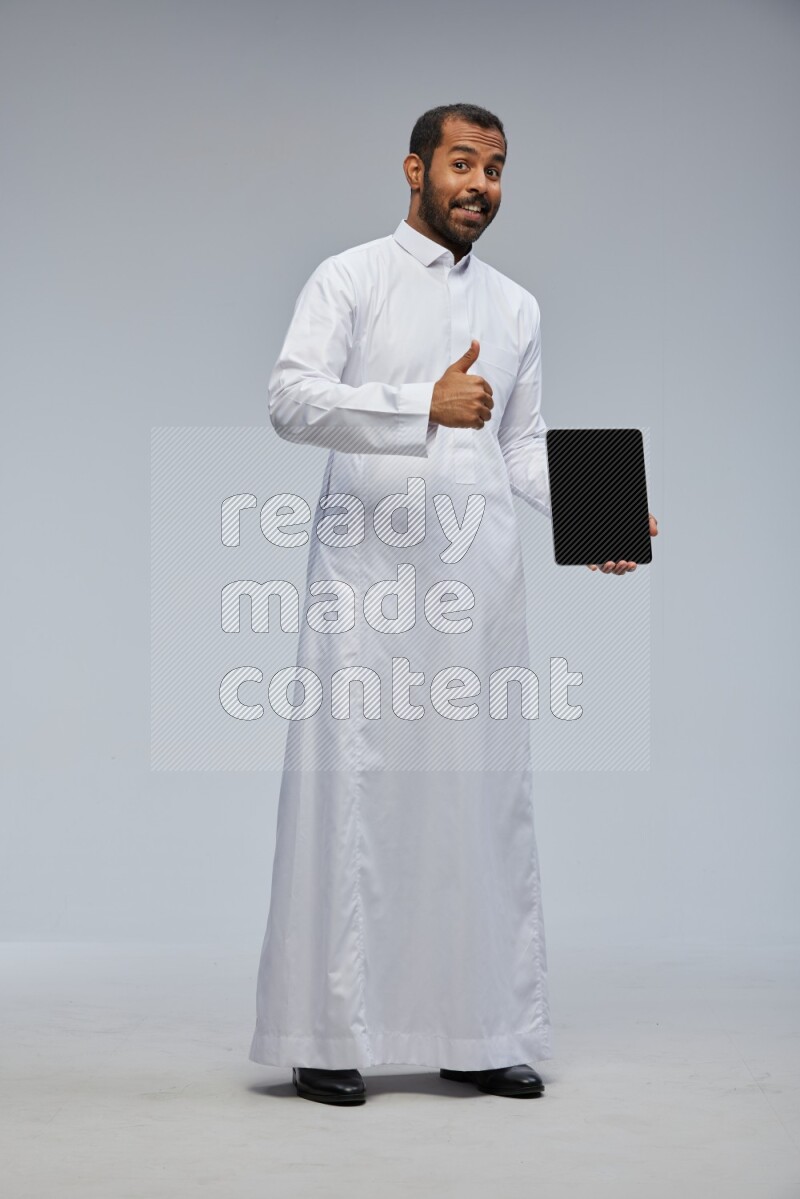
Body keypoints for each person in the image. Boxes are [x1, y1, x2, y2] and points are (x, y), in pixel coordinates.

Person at [249, 102, 659, 1106]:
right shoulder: (349, 277)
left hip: (476, 587)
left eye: (497, 167)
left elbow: (519, 441)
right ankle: (329, 1032)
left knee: (479, 800)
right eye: (462, 163)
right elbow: (291, 399)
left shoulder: (514, 305)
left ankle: (479, 1028)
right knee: (357, 795)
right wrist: (415, 404)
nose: (481, 184)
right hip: (368, 587)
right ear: (414, 168)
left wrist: (599, 514)